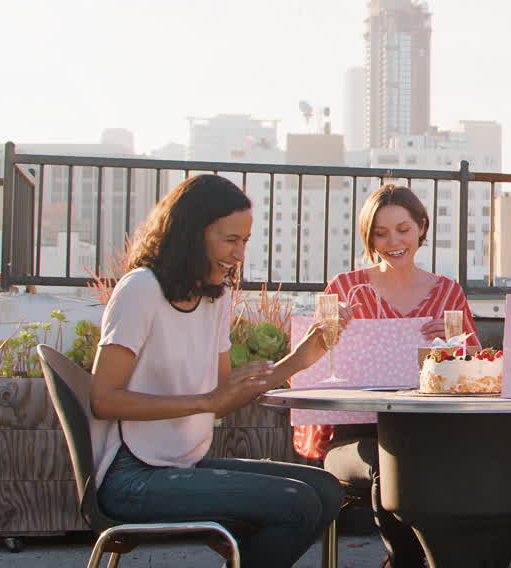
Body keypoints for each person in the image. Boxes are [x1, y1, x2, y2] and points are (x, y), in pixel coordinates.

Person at [91, 174, 346, 568]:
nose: (240, 254)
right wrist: (207, 400)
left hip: (181, 462)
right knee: (296, 504)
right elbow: (104, 399)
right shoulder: (140, 290)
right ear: (192, 234)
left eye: (244, 241)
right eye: (231, 240)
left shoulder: (215, 298)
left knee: (327, 490)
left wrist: (297, 360)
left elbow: (222, 399)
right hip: (132, 477)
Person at [293, 184, 480, 568]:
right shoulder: (345, 289)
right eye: (380, 233)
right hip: (356, 436)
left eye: (403, 229)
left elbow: (476, 370)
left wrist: (455, 347)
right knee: (392, 463)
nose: (393, 241)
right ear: (369, 237)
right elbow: (310, 367)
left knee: (449, 460)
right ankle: (404, 561)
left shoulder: (448, 293)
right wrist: (331, 334)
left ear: (422, 228)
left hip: (431, 430)